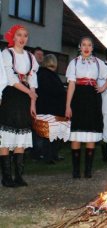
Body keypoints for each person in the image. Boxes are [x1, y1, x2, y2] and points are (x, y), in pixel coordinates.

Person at [65, 37, 107, 179]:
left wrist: (102, 87)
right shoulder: (74, 63)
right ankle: (75, 171)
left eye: (89, 45)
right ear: (80, 47)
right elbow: (71, 85)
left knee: (91, 134)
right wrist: (68, 105)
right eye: (84, 45)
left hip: (93, 98)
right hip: (78, 99)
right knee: (76, 134)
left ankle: (88, 170)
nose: (86, 47)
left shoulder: (98, 63)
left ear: (92, 48)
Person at [0, 25, 39, 187]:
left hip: (24, 100)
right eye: (19, 35)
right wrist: (29, 93)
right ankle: (6, 177)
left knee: (21, 139)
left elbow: (33, 82)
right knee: (6, 139)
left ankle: (19, 176)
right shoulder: (6, 54)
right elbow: (10, 79)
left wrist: (33, 103)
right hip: (11, 96)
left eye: (25, 35)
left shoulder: (31, 57)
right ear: (13, 37)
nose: (23, 38)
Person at [35, 54, 69, 164]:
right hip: (49, 109)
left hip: (50, 108)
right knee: (49, 136)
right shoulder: (45, 74)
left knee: (54, 135)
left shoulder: (46, 74)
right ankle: (48, 157)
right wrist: (63, 91)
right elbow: (52, 90)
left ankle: (53, 155)